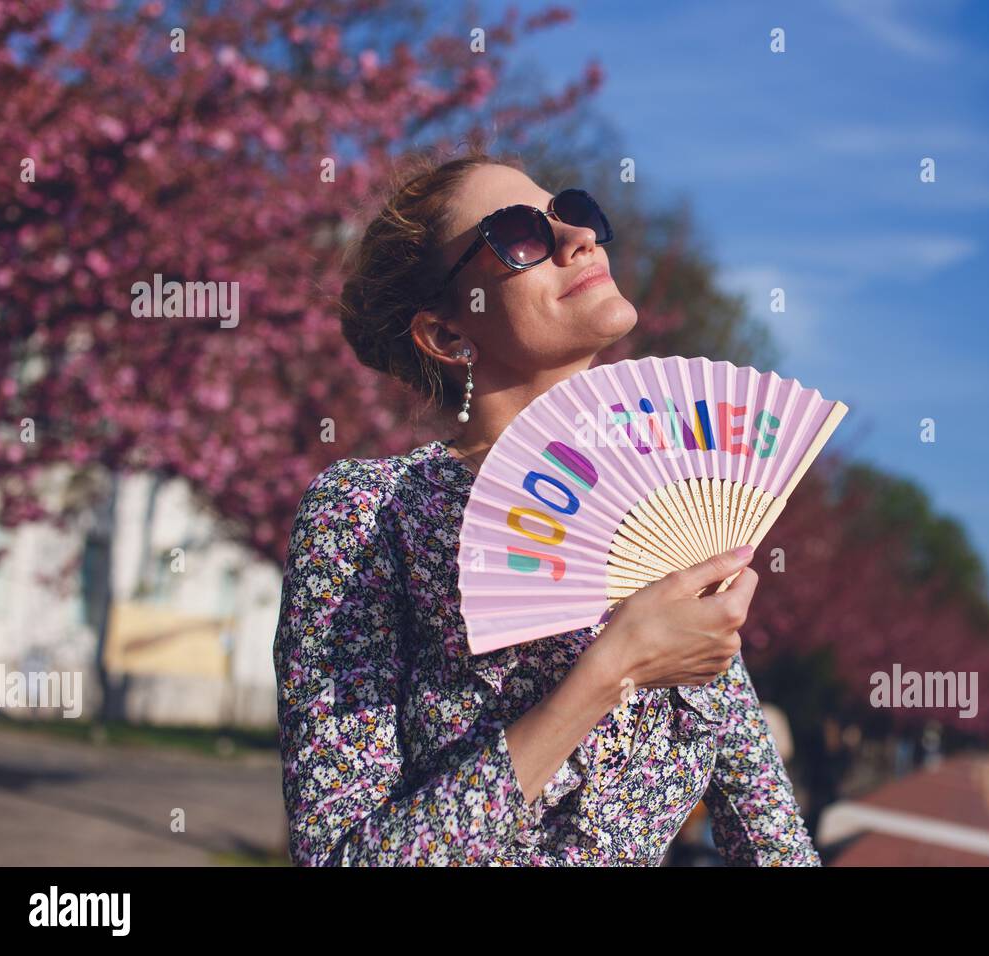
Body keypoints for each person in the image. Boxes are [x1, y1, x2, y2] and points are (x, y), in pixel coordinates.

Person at [271, 145, 821, 866]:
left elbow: (771, 840)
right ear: (446, 330)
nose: (578, 237)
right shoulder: (369, 516)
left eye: (575, 212)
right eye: (520, 233)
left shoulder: (682, 521)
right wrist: (610, 671)